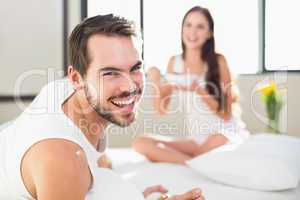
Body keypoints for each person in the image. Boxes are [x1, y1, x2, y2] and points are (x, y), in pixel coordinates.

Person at [0, 14, 204, 200]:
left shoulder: (75, 98)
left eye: (135, 68)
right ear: (76, 78)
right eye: (111, 73)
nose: (130, 86)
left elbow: (99, 162)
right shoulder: (62, 160)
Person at [132, 6, 249, 164]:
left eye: (200, 27)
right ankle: (193, 163)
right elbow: (162, 110)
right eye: (188, 25)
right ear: (182, 28)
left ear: (209, 33)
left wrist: (199, 91)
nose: (192, 32)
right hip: (196, 139)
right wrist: (156, 81)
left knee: (220, 138)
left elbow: (226, 114)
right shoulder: (175, 63)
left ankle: (189, 161)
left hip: (223, 134)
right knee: (141, 143)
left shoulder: (218, 61)